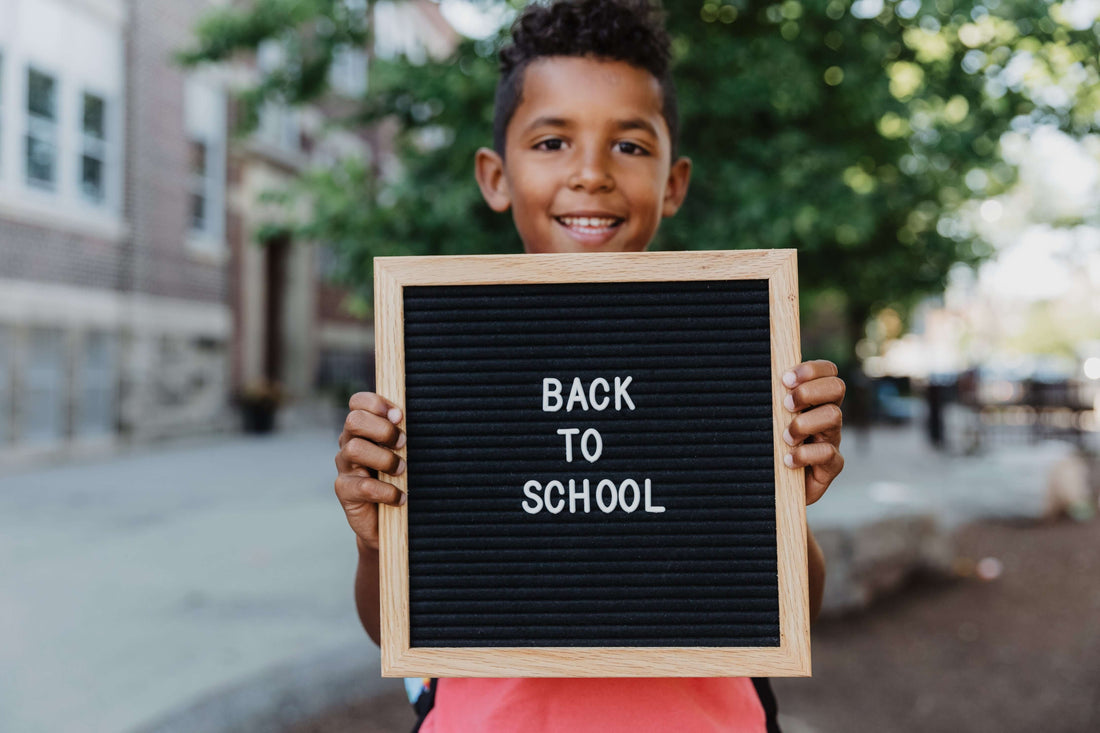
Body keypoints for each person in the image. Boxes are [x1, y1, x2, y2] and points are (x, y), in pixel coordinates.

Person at [334, 1, 845, 730]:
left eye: (631, 147)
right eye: (550, 142)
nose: (591, 175)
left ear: (674, 182)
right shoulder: (452, 362)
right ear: (495, 175)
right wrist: (372, 539)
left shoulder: (720, 360)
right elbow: (395, 629)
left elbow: (797, 606)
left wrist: (787, 496)